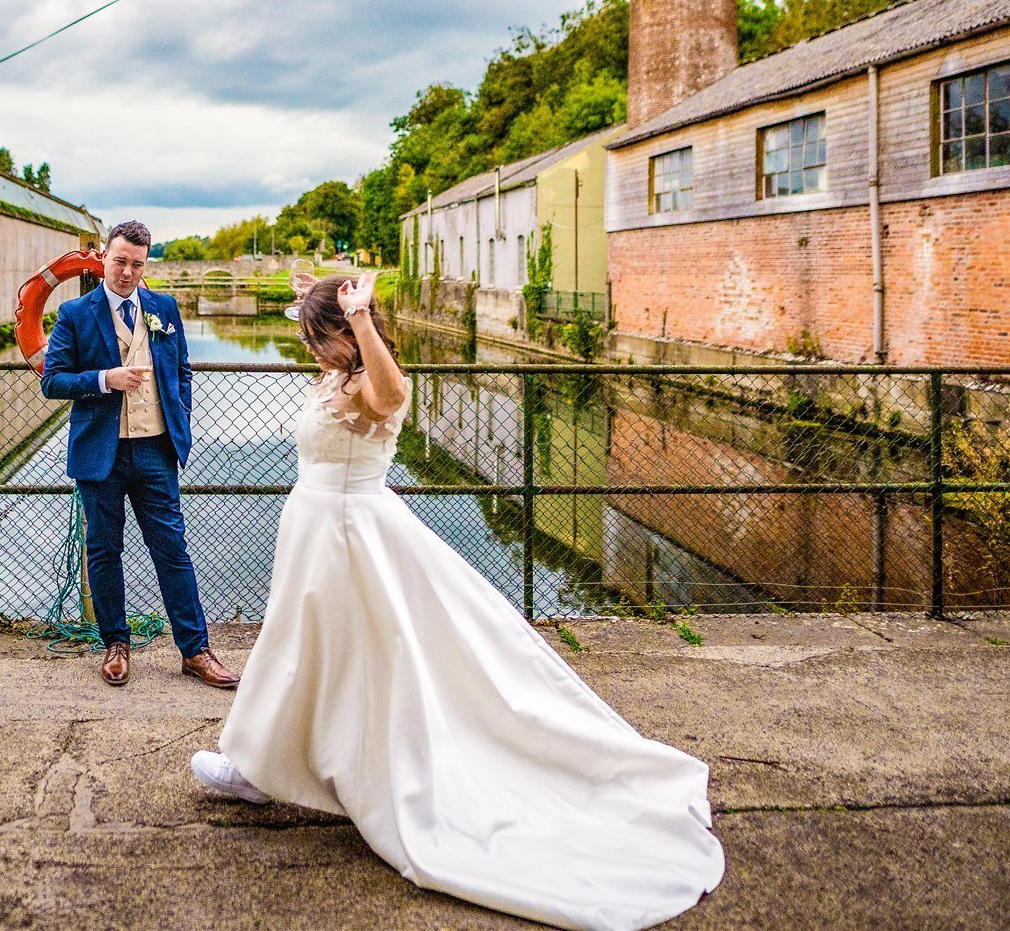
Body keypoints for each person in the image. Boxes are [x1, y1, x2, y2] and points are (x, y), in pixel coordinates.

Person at [191, 271, 723, 930]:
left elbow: (389, 396)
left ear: (350, 332)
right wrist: (319, 300)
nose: (312, 349)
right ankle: (262, 762)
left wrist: (357, 317)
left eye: (318, 336)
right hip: (316, 533)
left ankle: (309, 768)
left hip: (354, 538)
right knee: (300, 648)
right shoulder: (333, 374)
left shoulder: (373, 378)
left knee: (358, 660)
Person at [39, 221, 239, 689]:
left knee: (172, 550)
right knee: (105, 552)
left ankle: (195, 651)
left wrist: (179, 419)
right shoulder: (74, 314)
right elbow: (52, 381)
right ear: (104, 259)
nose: (127, 271)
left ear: (145, 264)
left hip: (154, 451)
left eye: (137, 264)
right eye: (120, 261)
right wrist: (105, 379)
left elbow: (182, 371)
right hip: (100, 454)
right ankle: (116, 646)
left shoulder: (164, 308)